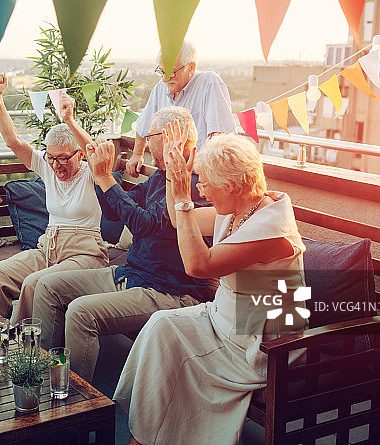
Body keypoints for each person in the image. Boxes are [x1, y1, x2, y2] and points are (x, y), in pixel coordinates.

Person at [114, 130, 307, 445]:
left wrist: (183, 196)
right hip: (228, 321)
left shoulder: (272, 229)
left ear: (230, 185)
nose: (200, 190)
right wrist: (176, 185)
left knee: (175, 354)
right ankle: (147, 434)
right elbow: (179, 221)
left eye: (204, 182)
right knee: (161, 325)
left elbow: (197, 265)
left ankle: (148, 439)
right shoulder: (240, 211)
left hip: (260, 344)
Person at [31, 106, 217, 382]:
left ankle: (74, 404)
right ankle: (40, 374)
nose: (144, 140)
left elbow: (144, 224)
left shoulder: (191, 182)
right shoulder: (159, 176)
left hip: (166, 289)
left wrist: (107, 179)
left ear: (167, 136)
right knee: (47, 287)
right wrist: (99, 174)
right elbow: (115, 213)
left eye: (149, 134)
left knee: (81, 313)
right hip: (132, 275)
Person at [0, 73, 108, 324]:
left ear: (78, 155)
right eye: (51, 157)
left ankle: (24, 348)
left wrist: (69, 121)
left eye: (63, 158)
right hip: (48, 248)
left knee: (34, 284)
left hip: (85, 255)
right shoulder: (47, 167)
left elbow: (94, 152)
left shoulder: (92, 171)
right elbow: (12, 140)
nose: (56, 165)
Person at [126, 41, 236, 178]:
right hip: (165, 171)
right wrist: (137, 154)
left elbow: (221, 136)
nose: (166, 79)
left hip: (197, 174)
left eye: (172, 73)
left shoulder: (209, 82)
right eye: (162, 72)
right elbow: (143, 125)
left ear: (191, 67)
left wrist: (207, 179)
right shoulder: (161, 87)